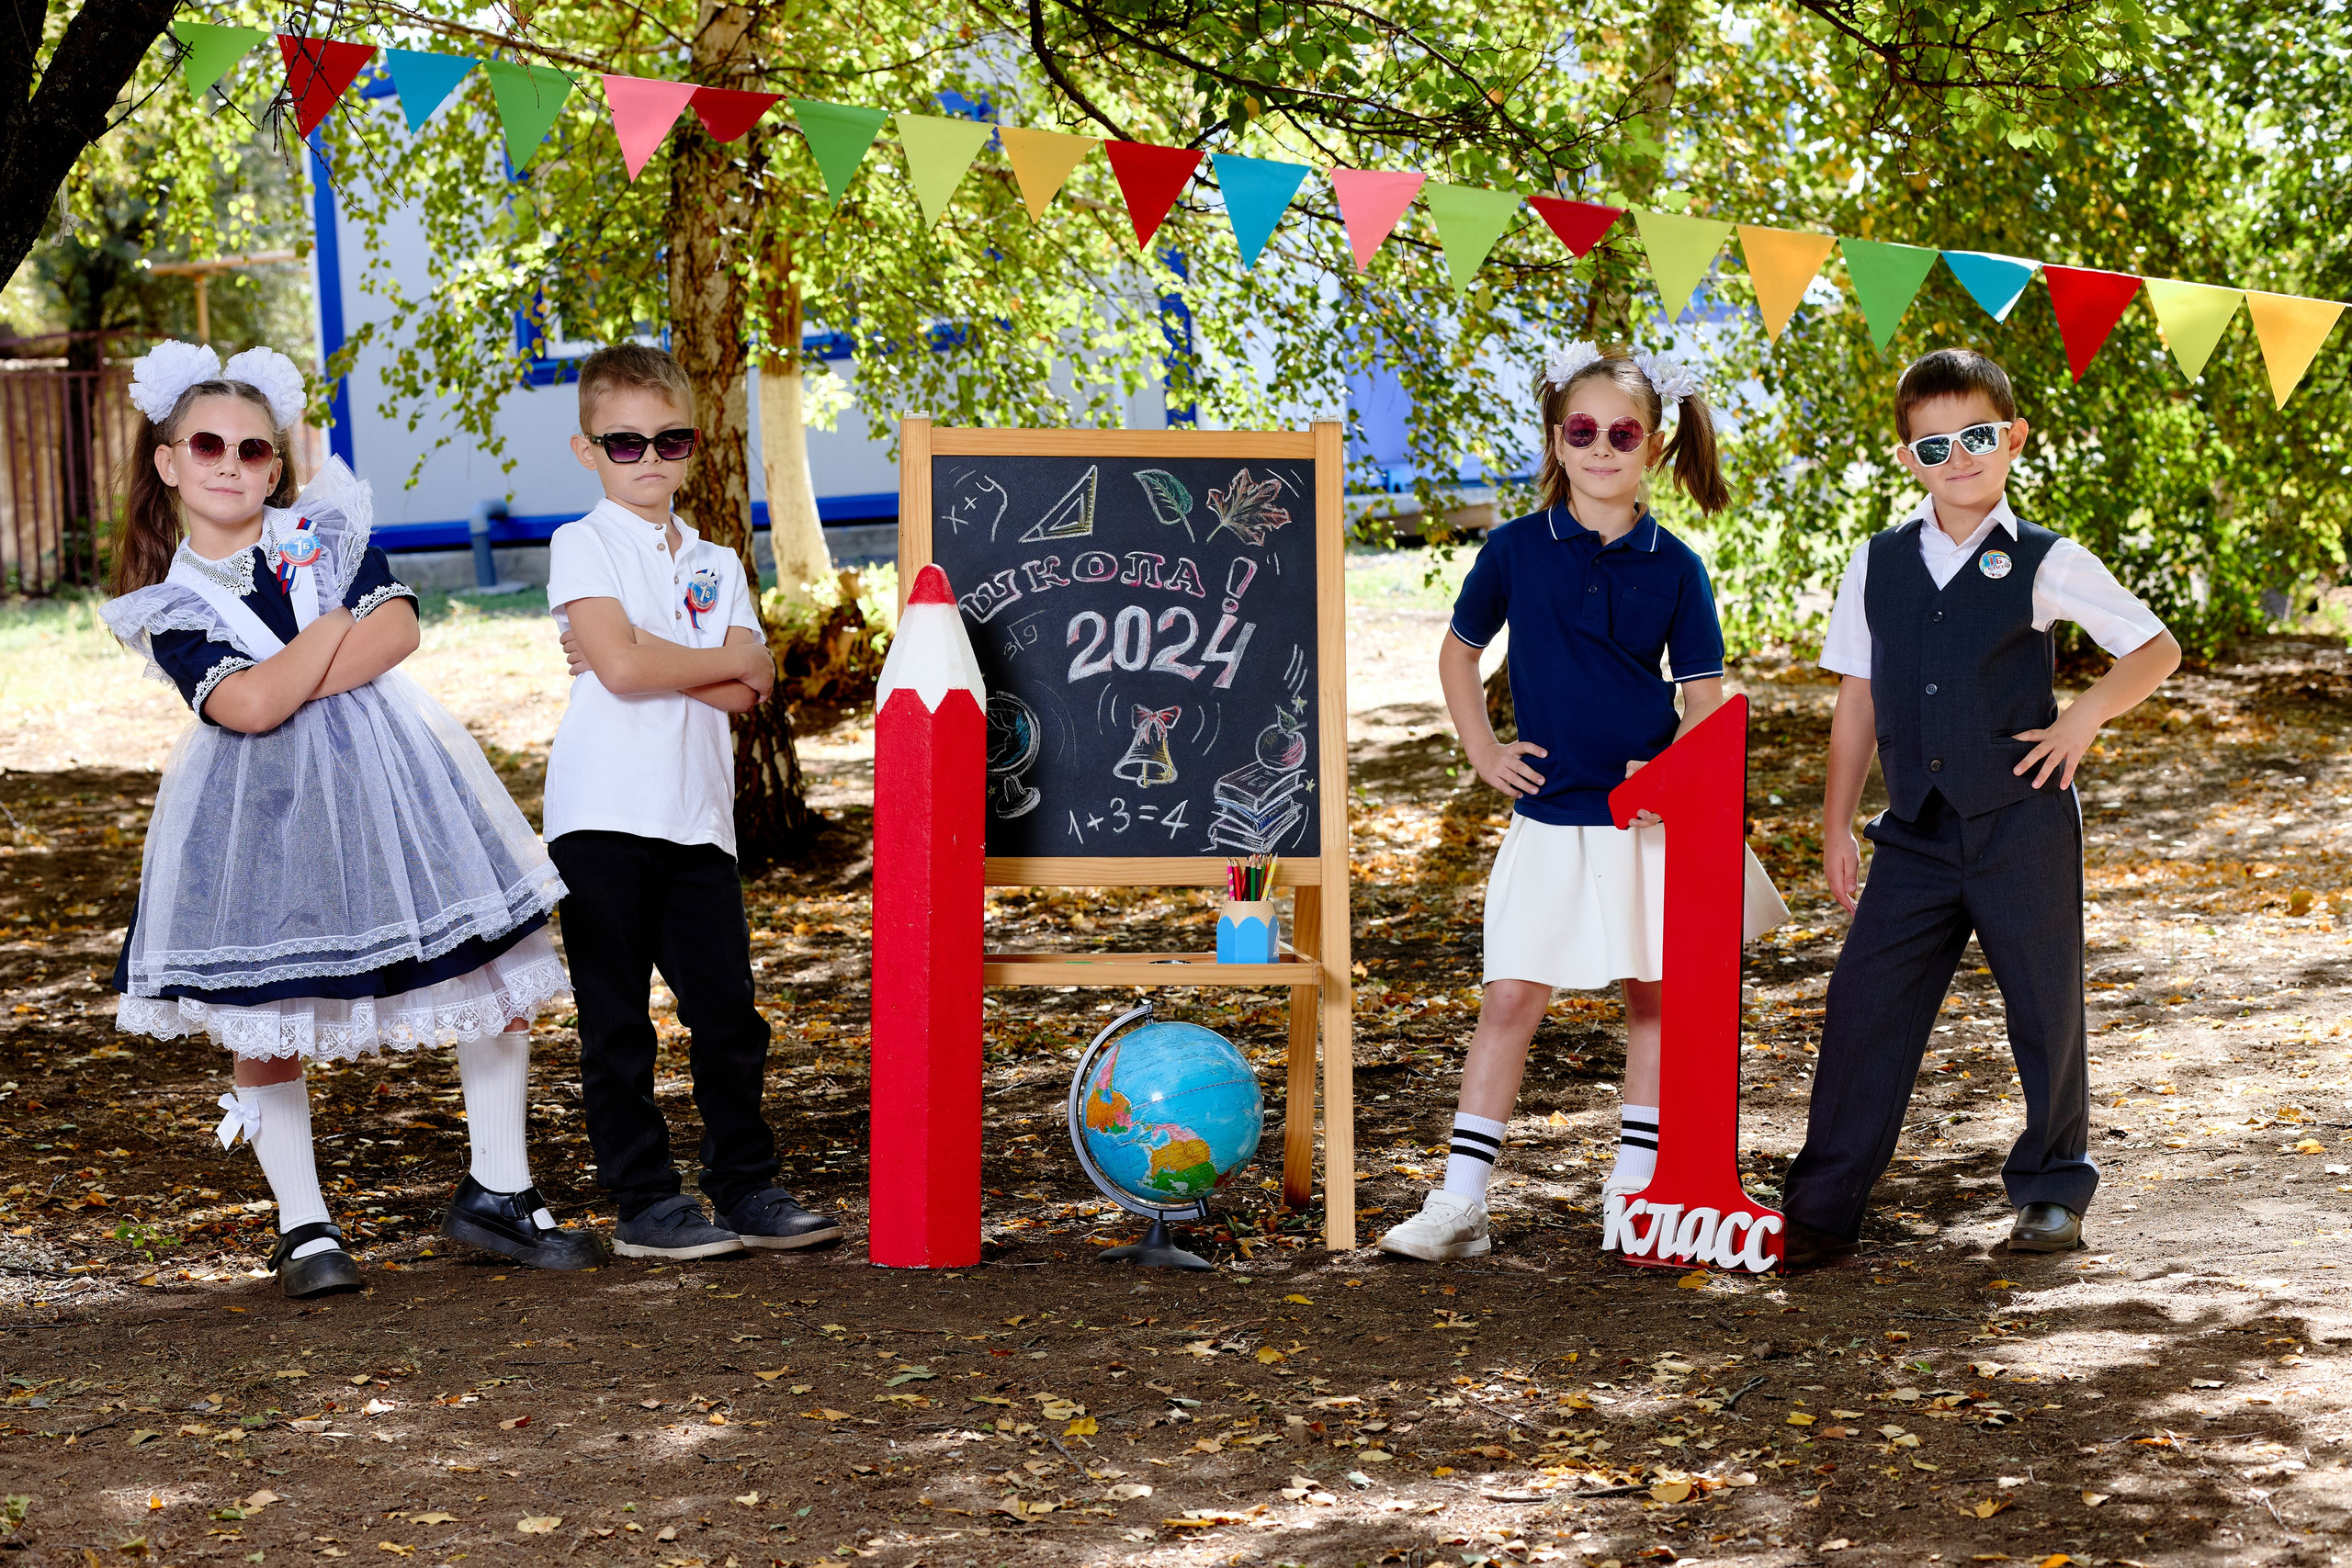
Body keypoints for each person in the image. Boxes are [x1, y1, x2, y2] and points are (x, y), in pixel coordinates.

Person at [102, 340, 596, 1299]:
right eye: (208, 446)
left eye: (254, 450)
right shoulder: (169, 601)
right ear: (167, 460)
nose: (233, 465)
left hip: (394, 781)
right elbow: (243, 710)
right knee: (268, 1010)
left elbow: (401, 629)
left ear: (276, 465)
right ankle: (304, 1226)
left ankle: (498, 1187)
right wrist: (331, 626)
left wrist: (290, 674)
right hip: (259, 812)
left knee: (488, 965)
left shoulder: (323, 527)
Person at [1378, 342, 1788, 1263]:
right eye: (1583, 430)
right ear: (1558, 442)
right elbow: (1458, 653)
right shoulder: (1515, 549)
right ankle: (1460, 1202)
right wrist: (1482, 746)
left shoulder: (1676, 567)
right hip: (1549, 818)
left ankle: (1635, 1189)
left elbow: (1702, 701)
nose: (1602, 446)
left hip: (1644, 823)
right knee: (1511, 996)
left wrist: (1668, 781)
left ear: (1651, 449)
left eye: (1623, 432)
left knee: (1653, 998)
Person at [1779, 347, 2181, 1268]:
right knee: (1863, 1008)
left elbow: (2153, 649)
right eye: (1932, 446)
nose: (1956, 459)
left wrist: (2080, 718)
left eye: (1975, 437)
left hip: (2021, 824)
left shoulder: (2044, 559)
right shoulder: (1876, 562)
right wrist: (1836, 821)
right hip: (1915, 834)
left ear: (2012, 437)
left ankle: (2051, 1189)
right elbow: (1856, 699)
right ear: (1905, 459)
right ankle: (1821, 1206)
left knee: (2045, 1006)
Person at [543, 343, 841, 1261]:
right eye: (624, 443)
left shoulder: (717, 557)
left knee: (726, 1017)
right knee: (618, 1023)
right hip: (599, 817)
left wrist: (643, 653)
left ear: (693, 446)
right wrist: (678, 658)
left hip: (699, 818)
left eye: (668, 440)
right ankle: (645, 1205)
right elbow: (632, 672)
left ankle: (745, 1186)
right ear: (587, 449)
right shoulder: (581, 543)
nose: (649, 458)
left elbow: (752, 686)